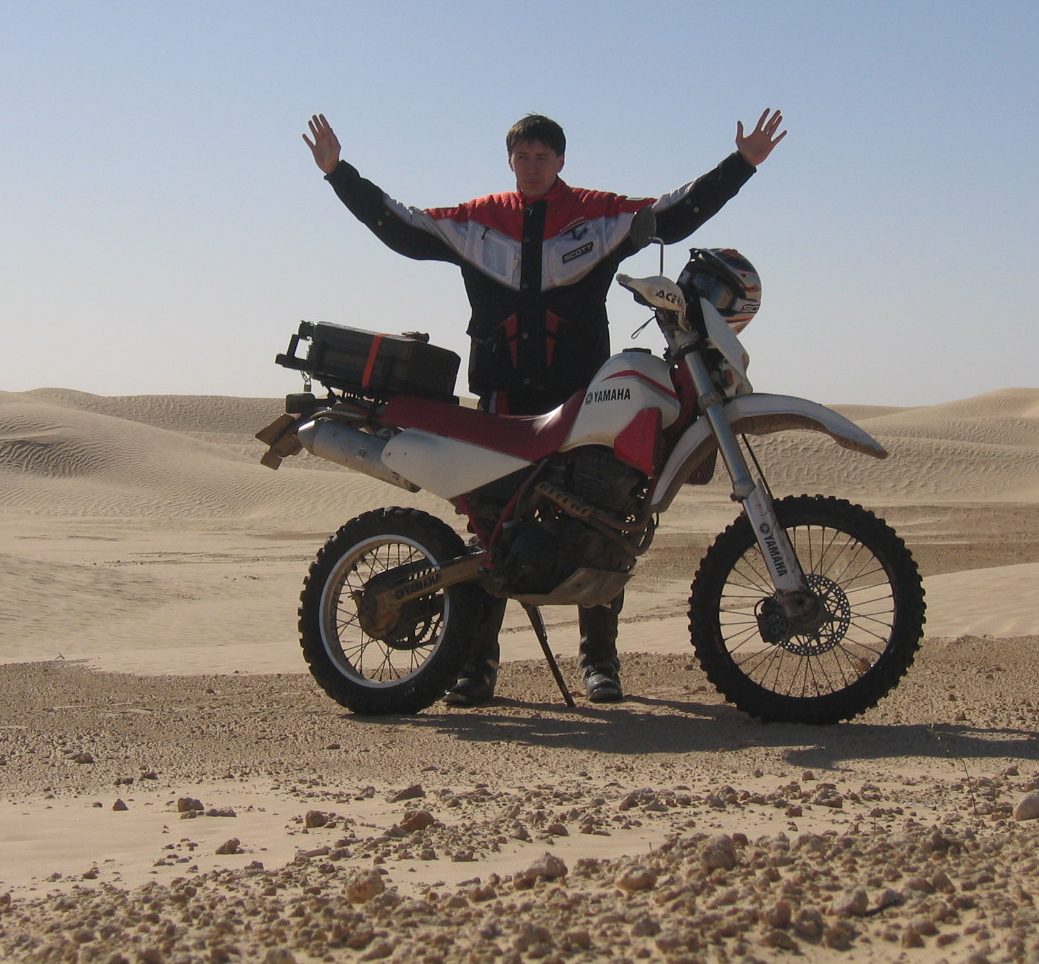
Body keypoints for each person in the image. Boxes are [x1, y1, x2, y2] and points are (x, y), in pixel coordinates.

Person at [303, 108, 786, 706]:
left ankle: (600, 663)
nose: (532, 166)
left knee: (607, 516)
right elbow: (399, 228)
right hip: (503, 395)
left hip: (583, 394)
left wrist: (742, 165)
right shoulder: (477, 221)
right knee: (489, 528)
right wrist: (338, 173)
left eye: (542, 157)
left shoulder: (598, 215)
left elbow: (674, 213)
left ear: (560, 161)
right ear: (510, 162)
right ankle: (475, 666)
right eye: (522, 157)